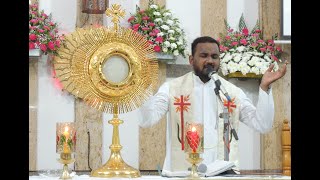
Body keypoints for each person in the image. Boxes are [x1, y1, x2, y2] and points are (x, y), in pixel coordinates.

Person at [139, 36, 287, 175]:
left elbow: (262, 125)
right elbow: (147, 120)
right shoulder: (172, 88)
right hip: (183, 172)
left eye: (214, 57)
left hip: (222, 172)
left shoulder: (231, 92)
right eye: (204, 56)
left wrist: (264, 88)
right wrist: (143, 87)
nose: (210, 60)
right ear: (191, 60)